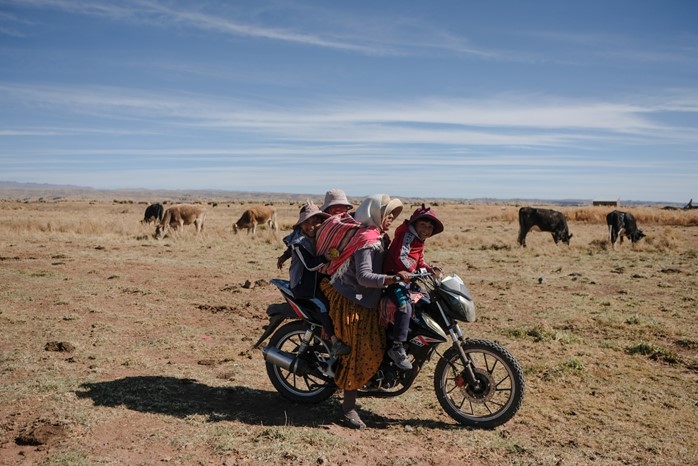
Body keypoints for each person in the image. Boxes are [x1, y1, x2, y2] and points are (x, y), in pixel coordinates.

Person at [319, 194, 410, 429]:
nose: (391, 217)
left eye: (393, 214)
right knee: (357, 351)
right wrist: (391, 279)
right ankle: (348, 408)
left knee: (378, 344)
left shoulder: (380, 236)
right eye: (388, 213)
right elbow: (364, 276)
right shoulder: (367, 238)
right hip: (350, 300)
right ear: (376, 213)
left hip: (367, 300)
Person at [282, 201, 350, 357]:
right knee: (323, 306)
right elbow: (310, 265)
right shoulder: (299, 243)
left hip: (314, 282)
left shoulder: (317, 238)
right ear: (300, 225)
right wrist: (326, 257)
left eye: (315, 222)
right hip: (303, 286)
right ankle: (334, 342)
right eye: (306, 222)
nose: (311, 226)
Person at [382, 204, 444, 371]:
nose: (426, 229)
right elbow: (401, 257)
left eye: (430, 227)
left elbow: (419, 260)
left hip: (407, 279)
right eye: (423, 225)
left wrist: (429, 268)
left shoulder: (419, 239)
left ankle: (414, 335)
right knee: (405, 306)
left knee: (426, 300)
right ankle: (397, 346)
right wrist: (412, 271)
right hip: (393, 278)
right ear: (415, 224)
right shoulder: (407, 235)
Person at [276, 188, 353, 269]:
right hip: (306, 278)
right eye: (334, 206)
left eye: (342, 206)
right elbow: (298, 247)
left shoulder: (349, 225)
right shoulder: (301, 240)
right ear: (327, 210)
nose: (311, 226)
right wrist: (285, 255)